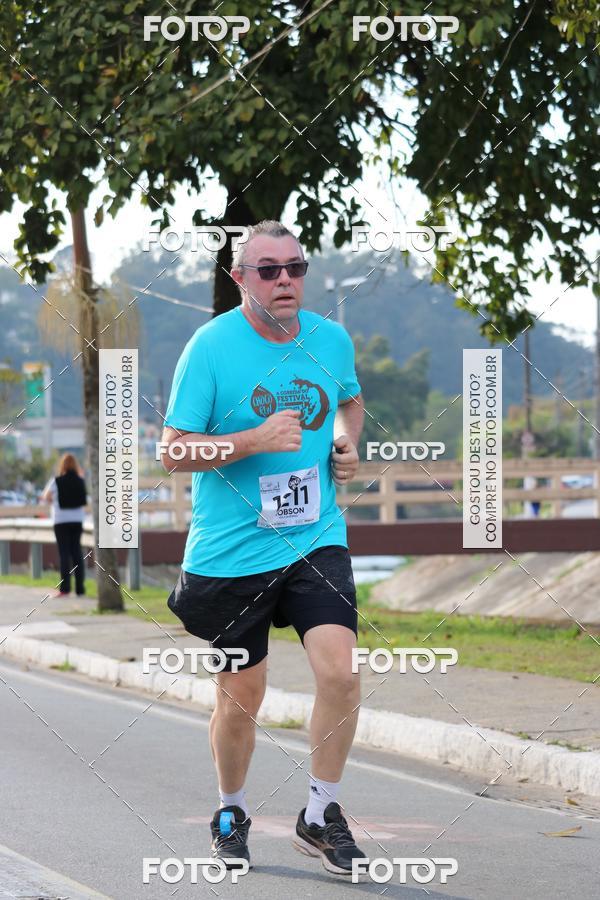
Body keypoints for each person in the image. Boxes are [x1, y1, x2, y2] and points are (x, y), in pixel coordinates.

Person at [161, 220, 367, 876]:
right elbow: (172, 451)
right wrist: (251, 441)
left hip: (314, 536)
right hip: (233, 554)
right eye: (269, 269)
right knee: (242, 694)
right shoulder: (210, 348)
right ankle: (231, 807)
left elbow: (350, 402)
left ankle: (320, 812)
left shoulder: (330, 340)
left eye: (296, 268)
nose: (285, 280)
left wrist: (343, 441)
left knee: (340, 672)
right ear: (240, 279)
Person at [40, 453, 87, 598]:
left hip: (61, 520)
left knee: (64, 554)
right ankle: (80, 589)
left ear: (62, 465)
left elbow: (45, 497)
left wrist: (52, 500)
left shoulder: (56, 481)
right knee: (77, 553)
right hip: (77, 520)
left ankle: (65, 588)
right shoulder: (80, 480)